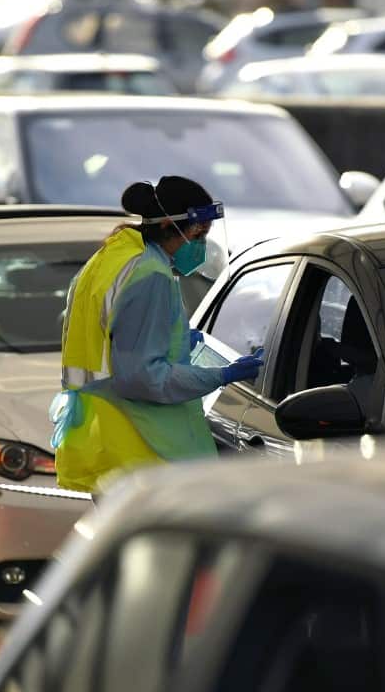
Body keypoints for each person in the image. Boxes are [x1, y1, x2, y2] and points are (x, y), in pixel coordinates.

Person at [53, 175, 264, 493]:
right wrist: (221, 375)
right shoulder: (151, 275)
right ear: (168, 225)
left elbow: (115, 339)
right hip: (143, 447)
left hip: (109, 438)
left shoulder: (112, 258)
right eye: (198, 233)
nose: (202, 244)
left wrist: (174, 341)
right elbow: (144, 378)